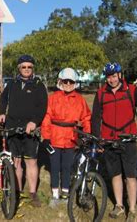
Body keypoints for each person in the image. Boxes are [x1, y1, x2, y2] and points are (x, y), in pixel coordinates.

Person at [91, 62, 137, 222]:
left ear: (120, 75)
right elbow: (95, 118)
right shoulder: (100, 94)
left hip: (128, 139)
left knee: (131, 176)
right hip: (108, 139)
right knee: (115, 174)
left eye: (114, 76)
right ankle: (119, 205)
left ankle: (132, 209)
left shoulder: (131, 90)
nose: (111, 80)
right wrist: (97, 139)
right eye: (108, 77)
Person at [0, 54, 48, 207]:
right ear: (19, 68)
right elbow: (3, 99)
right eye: (23, 67)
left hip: (30, 129)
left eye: (29, 67)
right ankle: (17, 191)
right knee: (17, 161)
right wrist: (1, 113)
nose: (26, 69)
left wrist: (34, 121)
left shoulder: (38, 84)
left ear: (33, 68)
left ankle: (32, 193)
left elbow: (43, 106)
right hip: (13, 126)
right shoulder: (12, 83)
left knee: (31, 161)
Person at [41, 68, 91, 206]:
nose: (68, 83)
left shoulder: (80, 100)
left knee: (67, 167)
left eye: (71, 81)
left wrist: (86, 134)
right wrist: (46, 137)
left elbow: (86, 117)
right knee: (55, 166)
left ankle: (65, 193)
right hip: (55, 137)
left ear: (75, 83)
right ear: (60, 82)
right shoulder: (53, 98)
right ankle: (55, 195)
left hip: (71, 138)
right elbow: (46, 117)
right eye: (65, 81)